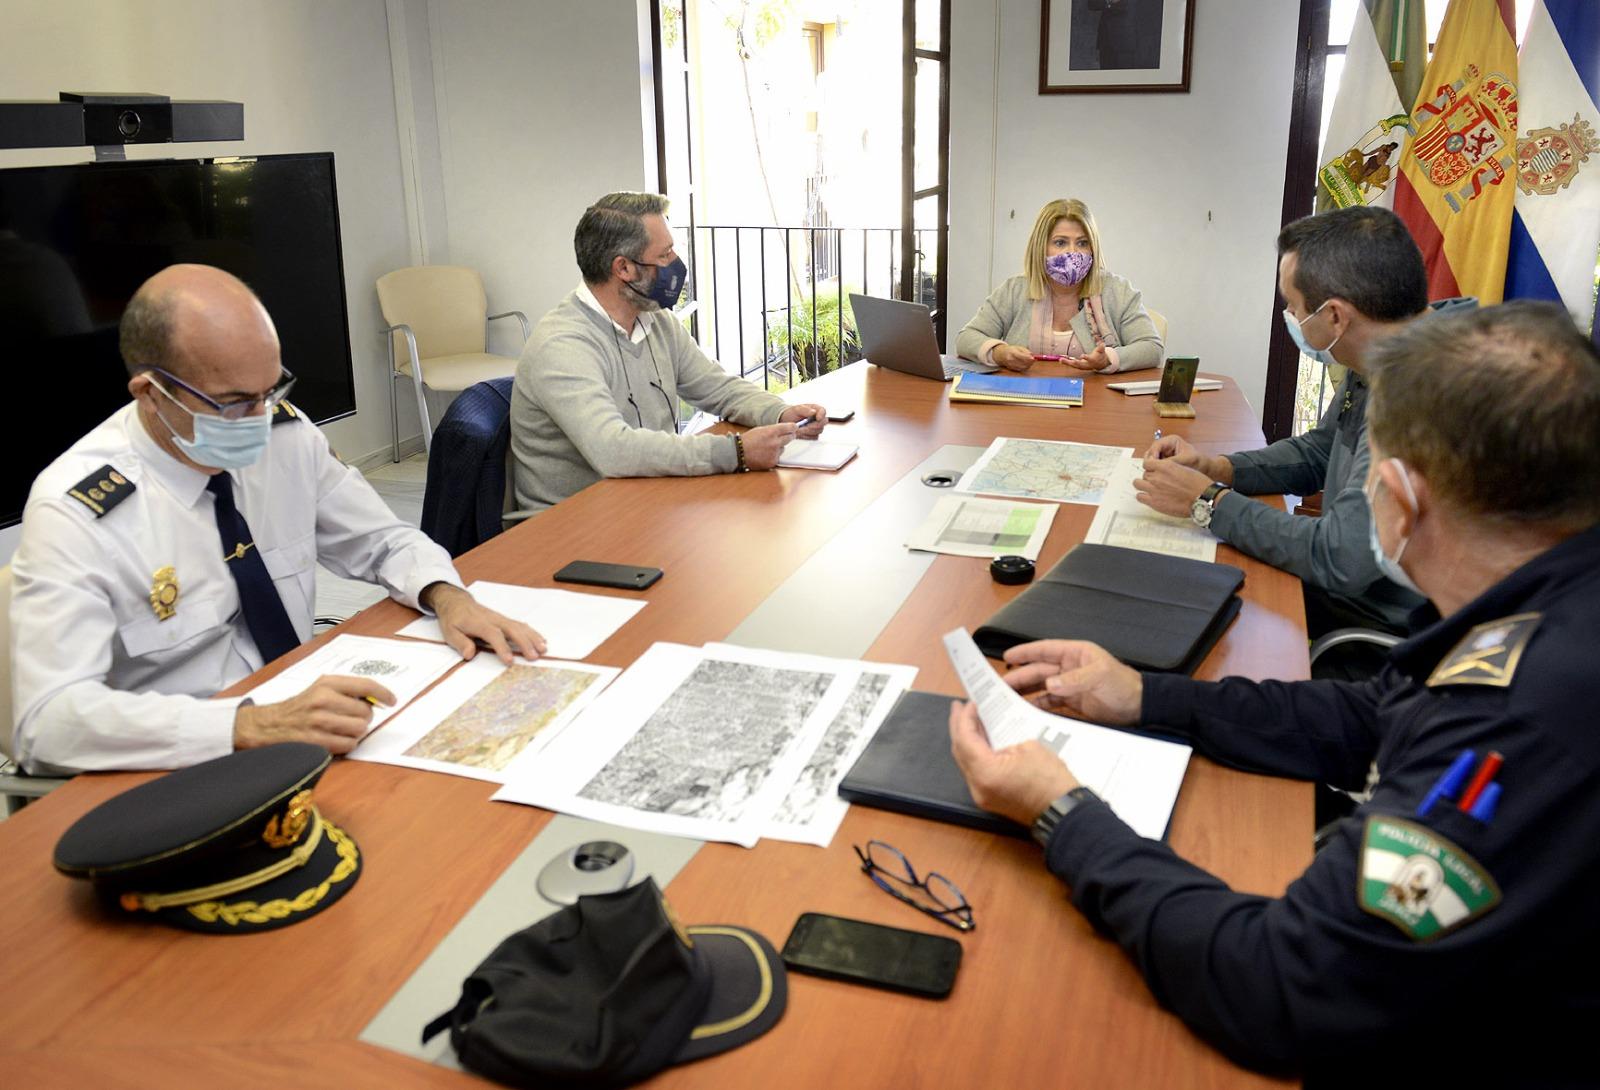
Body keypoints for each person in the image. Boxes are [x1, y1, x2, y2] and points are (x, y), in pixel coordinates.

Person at [949, 301, 1600, 1085]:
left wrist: (1061, 811)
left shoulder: (1519, 722)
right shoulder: (1548, 602)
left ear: (1401, 496)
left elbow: (1281, 987)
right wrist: (1144, 697)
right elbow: (1373, 712)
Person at [10, 265, 545, 776]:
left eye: (271, 391)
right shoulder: (77, 509)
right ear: (152, 394)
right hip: (184, 760)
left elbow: (383, 541)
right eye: (234, 403)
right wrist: (247, 725)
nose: (261, 420)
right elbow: (47, 720)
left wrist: (447, 596)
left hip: (304, 720)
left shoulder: (285, 439)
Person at [1137, 205, 1474, 641]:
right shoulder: (1390, 346)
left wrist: (1207, 502)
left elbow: (1341, 557)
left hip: (1386, 627)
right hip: (1357, 593)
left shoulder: (1426, 393)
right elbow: (1322, 449)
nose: (1292, 320)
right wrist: (1217, 469)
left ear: (1335, 316)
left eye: (1294, 308)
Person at [509, 192, 826, 515]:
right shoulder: (562, 345)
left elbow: (718, 387)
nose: (675, 263)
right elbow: (613, 450)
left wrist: (779, 413)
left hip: (643, 499)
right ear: (624, 268)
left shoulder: (655, 320)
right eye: (665, 254)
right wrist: (737, 452)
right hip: (568, 526)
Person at [954, 198, 1162, 375]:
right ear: (1041, 247)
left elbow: (1151, 347)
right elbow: (966, 338)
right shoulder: (1014, 290)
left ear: (1093, 247)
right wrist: (1000, 353)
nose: (1073, 253)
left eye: (1082, 243)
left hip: (1095, 406)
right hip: (1025, 402)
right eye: (1060, 243)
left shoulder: (1117, 290)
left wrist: (1108, 358)